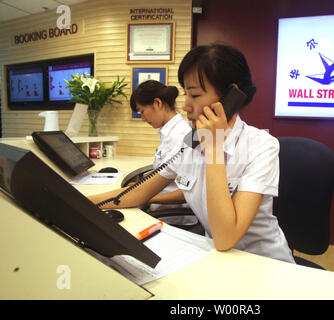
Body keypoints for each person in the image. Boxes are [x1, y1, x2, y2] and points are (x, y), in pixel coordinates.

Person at [89, 44, 295, 264]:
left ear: (230, 96)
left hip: (264, 263)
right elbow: (137, 194)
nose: (186, 106)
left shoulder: (262, 146)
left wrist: (213, 149)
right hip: (217, 259)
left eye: (195, 95)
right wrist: (81, 202)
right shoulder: (190, 143)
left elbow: (226, 237)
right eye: (186, 94)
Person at [129, 80, 192, 216]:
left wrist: (144, 196)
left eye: (142, 112)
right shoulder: (169, 133)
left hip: (172, 217)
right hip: (159, 208)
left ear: (157, 103)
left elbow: (187, 191)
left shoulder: (181, 136)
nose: (143, 119)